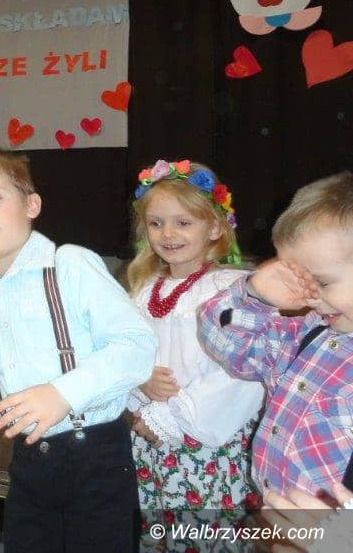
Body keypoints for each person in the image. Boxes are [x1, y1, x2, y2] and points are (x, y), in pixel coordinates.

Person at [0, 147, 157, 553]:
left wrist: (63, 393)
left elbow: (137, 345)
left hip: (94, 455)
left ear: (31, 205)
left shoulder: (69, 265)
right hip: (27, 462)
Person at [125, 160, 264, 549]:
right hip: (151, 438)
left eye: (183, 223)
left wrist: (171, 415)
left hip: (206, 441)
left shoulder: (230, 289)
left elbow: (241, 372)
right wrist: (139, 379)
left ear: (215, 227)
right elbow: (124, 349)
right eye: (156, 223)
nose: (168, 234)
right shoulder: (144, 289)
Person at [199, 171, 353, 497]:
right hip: (274, 515)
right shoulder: (308, 333)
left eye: (322, 282)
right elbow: (226, 343)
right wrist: (254, 296)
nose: (311, 296)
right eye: (302, 280)